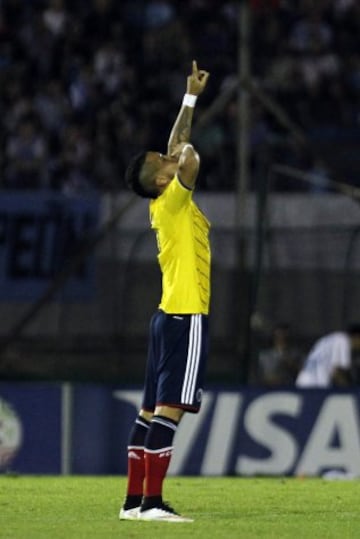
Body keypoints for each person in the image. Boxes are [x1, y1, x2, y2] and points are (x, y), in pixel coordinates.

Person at [119, 60, 210, 523]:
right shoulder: (174, 196)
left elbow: (178, 151)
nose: (169, 154)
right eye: (163, 160)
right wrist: (184, 150)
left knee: (149, 410)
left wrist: (189, 98)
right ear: (161, 179)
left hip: (164, 316)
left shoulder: (164, 201)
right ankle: (152, 503)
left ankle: (133, 502)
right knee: (168, 412)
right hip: (185, 315)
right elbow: (190, 157)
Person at [295, 324, 360, 388]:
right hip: (314, 384)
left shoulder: (333, 338)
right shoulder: (343, 340)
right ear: (357, 336)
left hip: (304, 381)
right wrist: (351, 391)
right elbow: (338, 372)